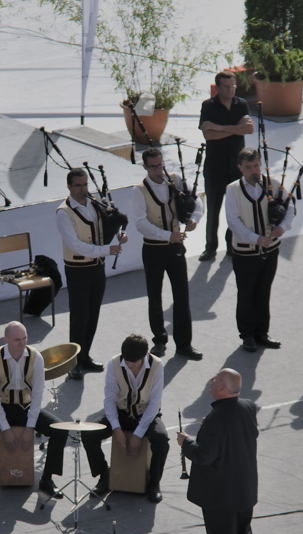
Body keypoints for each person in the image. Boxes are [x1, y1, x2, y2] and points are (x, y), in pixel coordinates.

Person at [177, 368, 259, 534]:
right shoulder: (248, 407)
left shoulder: (216, 418)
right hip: (245, 485)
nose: (211, 381)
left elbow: (204, 455)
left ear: (222, 388)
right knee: (243, 530)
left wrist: (186, 443)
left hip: (220, 491)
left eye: (215, 380)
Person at [0, 322, 67, 499]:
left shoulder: (36, 358)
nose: (22, 344)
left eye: (24, 338)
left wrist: (30, 427)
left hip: (26, 406)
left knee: (60, 430)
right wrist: (5, 429)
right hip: (3, 406)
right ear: (6, 339)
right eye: (16, 340)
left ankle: (47, 479)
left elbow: (37, 396)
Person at [131, 147, 202, 360]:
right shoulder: (139, 190)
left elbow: (196, 198)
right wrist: (166, 235)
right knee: (155, 296)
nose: (158, 170)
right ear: (145, 167)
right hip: (153, 248)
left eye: (160, 165)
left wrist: (194, 219)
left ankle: (184, 344)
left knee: (182, 295)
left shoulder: (175, 179)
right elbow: (140, 223)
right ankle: (159, 340)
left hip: (175, 247)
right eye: (153, 166)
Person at [80, 334, 168, 503]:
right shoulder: (114, 364)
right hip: (122, 413)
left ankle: (154, 483)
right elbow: (109, 399)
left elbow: (155, 403)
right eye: (126, 361)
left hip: (146, 413)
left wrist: (138, 434)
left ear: (145, 355)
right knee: (89, 434)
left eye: (133, 362)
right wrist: (116, 428)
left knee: (162, 440)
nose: (129, 365)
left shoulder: (157, 365)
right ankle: (104, 476)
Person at [55, 168, 125, 378]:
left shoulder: (94, 204)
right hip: (77, 270)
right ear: (69, 186)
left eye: (85, 185)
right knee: (79, 316)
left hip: (97, 267)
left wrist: (119, 234)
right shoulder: (63, 213)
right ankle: (72, 363)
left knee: (93, 313)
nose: (83, 189)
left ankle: (84, 356)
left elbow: (106, 227)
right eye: (78, 185)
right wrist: (107, 250)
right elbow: (76, 245)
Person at [225, 148, 295, 352]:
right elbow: (233, 221)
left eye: (256, 165)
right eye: (248, 167)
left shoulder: (272, 183)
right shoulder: (233, 189)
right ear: (240, 168)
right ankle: (247, 335)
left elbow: (290, 205)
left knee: (264, 291)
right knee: (246, 293)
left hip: (270, 249)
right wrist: (256, 239)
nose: (254, 170)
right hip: (245, 252)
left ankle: (262, 332)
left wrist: (283, 227)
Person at [198, 70, 253, 261]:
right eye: (227, 87)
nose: (231, 90)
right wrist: (235, 130)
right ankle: (210, 247)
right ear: (218, 88)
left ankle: (232, 246)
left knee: (235, 210)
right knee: (213, 209)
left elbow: (248, 128)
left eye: (233, 86)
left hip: (236, 167)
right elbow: (208, 134)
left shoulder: (242, 104)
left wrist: (220, 127)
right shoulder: (208, 106)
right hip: (214, 167)